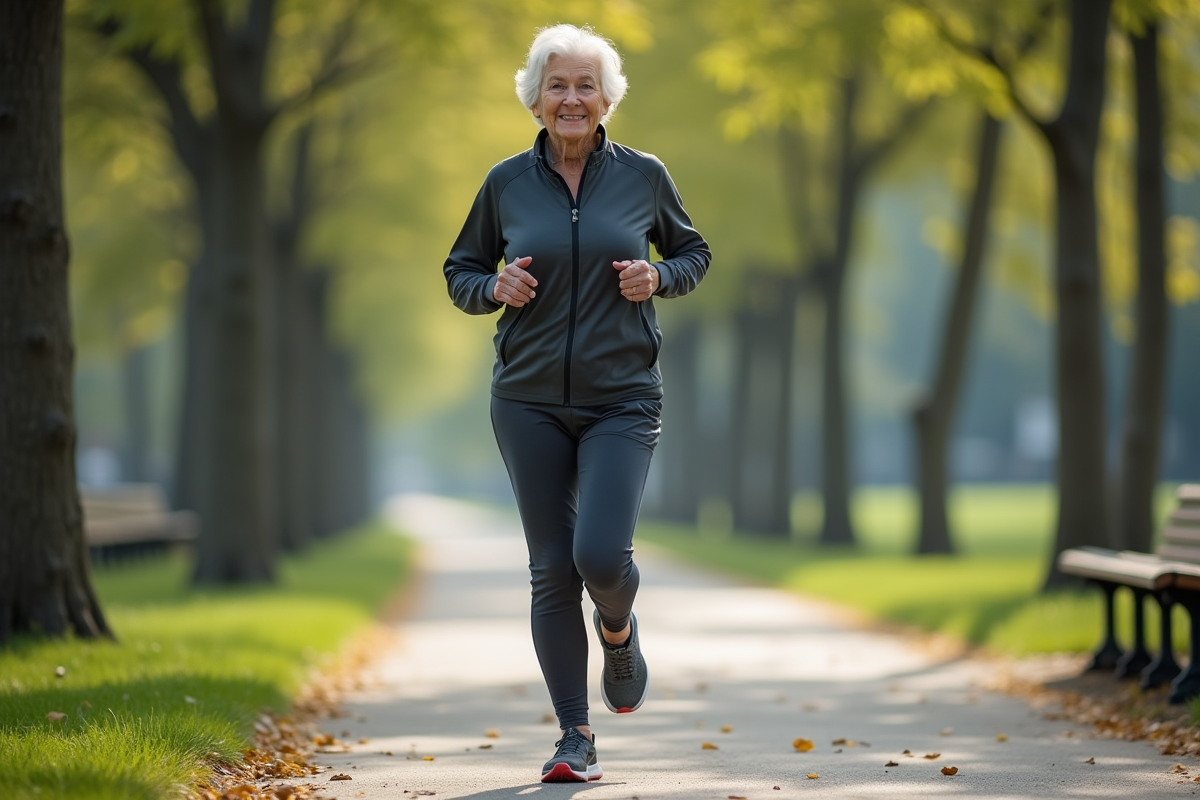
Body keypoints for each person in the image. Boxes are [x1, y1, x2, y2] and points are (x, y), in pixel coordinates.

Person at [443, 23, 711, 783]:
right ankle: (575, 737)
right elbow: (460, 268)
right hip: (525, 399)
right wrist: (492, 286)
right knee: (550, 569)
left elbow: (694, 253)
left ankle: (618, 629)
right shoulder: (504, 183)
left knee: (599, 556)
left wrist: (658, 278)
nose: (571, 98)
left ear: (606, 99)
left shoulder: (644, 176)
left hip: (623, 398)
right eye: (557, 85)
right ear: (534, 99)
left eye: (585, 84)